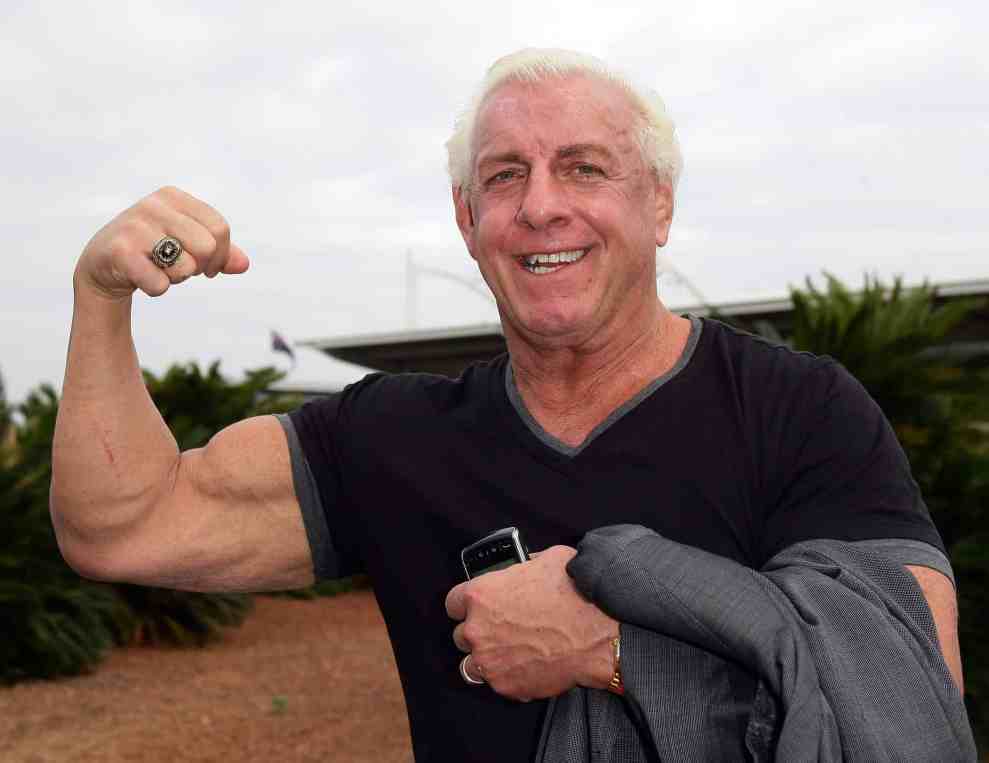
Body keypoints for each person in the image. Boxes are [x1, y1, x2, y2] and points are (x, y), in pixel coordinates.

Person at [51, 49, 966, 760]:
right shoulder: (390, 437)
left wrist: (614, 652)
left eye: (582, 169)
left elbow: (907, 692)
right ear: (466, 220)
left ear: (658, 206)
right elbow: (124, 525)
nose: (538, 207)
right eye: (502, 176)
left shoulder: (799, 410)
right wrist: (101, 298)